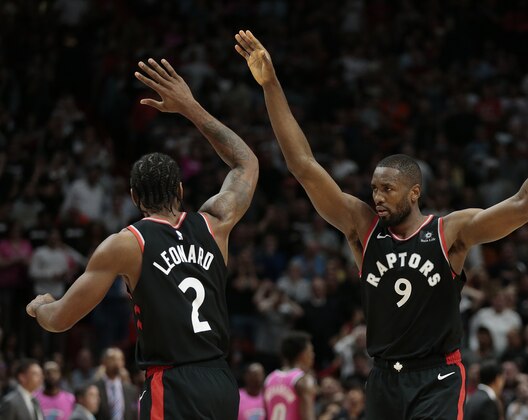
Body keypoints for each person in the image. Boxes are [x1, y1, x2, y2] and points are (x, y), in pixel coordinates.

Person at [234, 29, 528, 419]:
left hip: (437, 378)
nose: (377, 197)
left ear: (414, 192)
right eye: (373, 188)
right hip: (383, 378)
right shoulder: (362, 228)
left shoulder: (449, 232)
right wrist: (271, 84)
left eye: (388, 189)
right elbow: (303, 166)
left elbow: (524, 206)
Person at [26, 57, 259, 419]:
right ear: (181, 190)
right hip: (221, 381)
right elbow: (246, 163)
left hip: (173, 384)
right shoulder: (216, 223)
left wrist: (40, 306)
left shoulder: (127, 243)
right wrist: (190, 107)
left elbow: (61, 320)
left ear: (134, 197)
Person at [263, 331, 316, 420]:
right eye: (311, 351)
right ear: (302, 354)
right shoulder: (304, 380)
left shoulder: (269, 379)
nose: (313, 355)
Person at [93, 348, 137, 420]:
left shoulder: (131, 390)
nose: (116, 362)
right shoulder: (95, 387)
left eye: (120, 359)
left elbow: (134, 415)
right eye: (112, 359)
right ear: (103, 362)